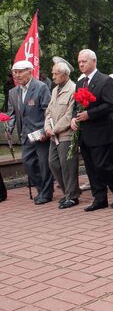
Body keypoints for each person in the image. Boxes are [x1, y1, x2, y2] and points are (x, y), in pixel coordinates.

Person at [70, 49, 113, 211]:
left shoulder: (105, 80)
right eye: (79, 62)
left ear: (94, 61)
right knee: (90, 167)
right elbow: (76, 106)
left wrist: (89, 114)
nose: (81, 64)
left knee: (102, 165)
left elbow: (109, 105)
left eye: (84, 61)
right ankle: (99, 198)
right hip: (85, 133)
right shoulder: (80, 82)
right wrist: (74, 118)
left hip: (101, 131)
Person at [6, 60, 54, 204]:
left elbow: (48, 111)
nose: (17, 75)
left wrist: (47, 130)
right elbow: (12, 113)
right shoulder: (13, 92)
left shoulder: (41, 87)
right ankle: (42, 189)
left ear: (30, 71)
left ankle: (46, 193)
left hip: (41, 134)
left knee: (44, 165)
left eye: (20, 72)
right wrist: (9, 127)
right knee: (28, 163)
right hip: (25, 135)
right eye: (15, 72)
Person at [45, 60, 80, 209]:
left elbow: (69, 115)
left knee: (68, 166)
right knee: (53, 163)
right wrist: (47, 127)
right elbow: (48, 111)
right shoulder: (54, 90)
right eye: (53, 73)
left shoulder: (73, 89)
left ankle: (72, 196)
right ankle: (68, 192)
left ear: (65, 74)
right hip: (54, 135)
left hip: (66, 134)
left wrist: (56, 129)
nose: (53, 76)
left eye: (56, 73)